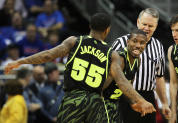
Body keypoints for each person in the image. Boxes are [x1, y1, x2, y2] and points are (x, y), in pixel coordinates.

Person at [4, 12, 155, 123]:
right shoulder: (112, 53)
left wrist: (20, 62)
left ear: (90, 26)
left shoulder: (74, 42)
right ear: (107, 30)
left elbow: (47, 55)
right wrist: (140, 100)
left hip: (73, 99)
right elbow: (121, 80)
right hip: (95, 102)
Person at [112, 8, 171, 123]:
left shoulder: (158, 45)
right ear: (138, 22)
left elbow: (159, 77)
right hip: (123, 97)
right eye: (144, 24)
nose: (146, 28)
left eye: (151, 26)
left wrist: (164, 103)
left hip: (148, 96)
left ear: (156, 26)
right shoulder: (120, 42)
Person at [103, 28, 148, 122]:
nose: (138, 45)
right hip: (102, 102)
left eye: (142, 43)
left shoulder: (138, 61)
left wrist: (133, 103)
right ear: (128, 42)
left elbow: (127, 87)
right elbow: (101, 87)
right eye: (134, 41)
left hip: (115, 104)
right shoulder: (120, 58)